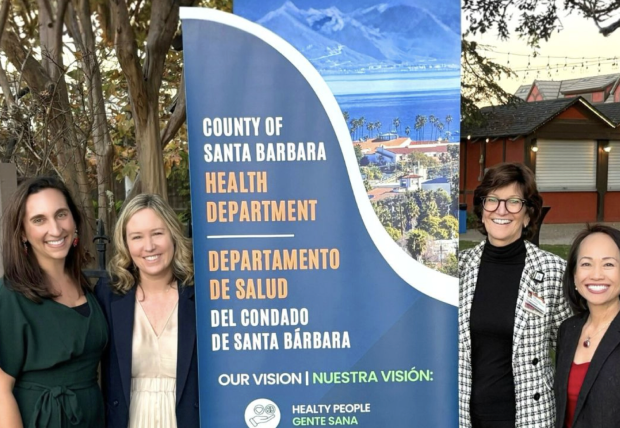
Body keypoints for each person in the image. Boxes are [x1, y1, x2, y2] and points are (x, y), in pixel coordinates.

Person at [459, 162, 571, 428]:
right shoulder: (457, 269)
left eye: (513, 202)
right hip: (464, 416)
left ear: (529, 214)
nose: (501, 210)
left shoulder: (553, 271)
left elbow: (571, 348)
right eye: (492, 200)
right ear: (482, 210)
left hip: (528, 418)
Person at [0, 177, 108, 428]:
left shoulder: (86, 288)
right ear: (23, 233)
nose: (56, 229)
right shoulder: (11, 298)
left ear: (74, 219)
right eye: (39, 220)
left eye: (61, 214)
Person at [95, 194, 198, 428]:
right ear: (126, 243)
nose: (149, 246)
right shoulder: (108, 296)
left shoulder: (201, 295)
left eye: (157, 233)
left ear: (173, 234)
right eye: (137, 237)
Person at [554, 225, 620, 428]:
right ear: (574, 275)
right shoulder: (568, 330)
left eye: (608, 264)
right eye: (586, 264)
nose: (596, 275)